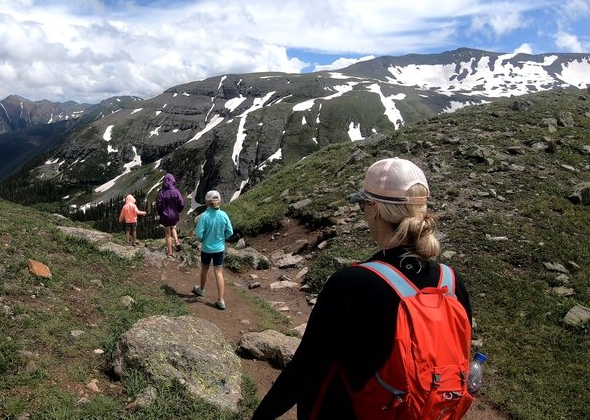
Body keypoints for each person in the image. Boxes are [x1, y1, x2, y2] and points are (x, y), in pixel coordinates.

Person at [252, 157, 473, 419]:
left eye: (361, 205)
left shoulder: (352, 283)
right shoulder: (451, 282)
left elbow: (307, 366)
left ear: (375, 209)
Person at [192, 190, 234, 311]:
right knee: (219, 272)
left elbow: (199, 234)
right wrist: (222, 238)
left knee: (204, 269)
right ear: (219, 201)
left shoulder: (203, 217)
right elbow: (230, 231)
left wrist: (204, 239)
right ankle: (221, 300)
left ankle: (201, 289)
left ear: (207, 202)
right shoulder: (224, 215)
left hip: (206, 248)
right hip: (219, 248)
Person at [154, 173, 186, 257]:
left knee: (167, 233)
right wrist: (178, 210)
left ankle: (170, 252)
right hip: (174, 215)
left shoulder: (162, 193)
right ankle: (177, 242)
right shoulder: (176, 192)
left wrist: (160, 213)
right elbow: (182, 203)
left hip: (165, 215)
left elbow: (158, 204)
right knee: (173, 227)